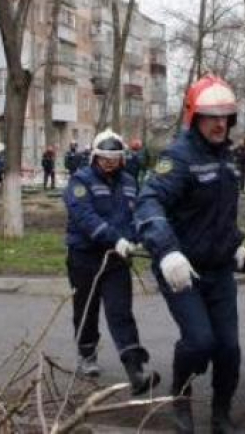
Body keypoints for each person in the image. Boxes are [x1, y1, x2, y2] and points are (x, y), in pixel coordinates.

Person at [136, 73, 245, 434]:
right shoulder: (178, 157)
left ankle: (221, 415)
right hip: (181, 270)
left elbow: (220, 210)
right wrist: (167, 252)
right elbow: (148, 202)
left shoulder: (228, 158)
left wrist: (234, 240)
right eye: (210, 116)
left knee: (228, 349)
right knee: (200, 342)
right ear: (194, 117)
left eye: (224, 116)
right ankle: (180, 399)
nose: (219, 123)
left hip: (218, 270)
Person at [63, 129, 161, 395]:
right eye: (104, 157)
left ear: (122, 157)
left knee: (121, 312)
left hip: (118, 260)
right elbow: (84, 218)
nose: (109, 162)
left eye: (115, 157)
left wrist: (139, 236)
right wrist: (115, 238)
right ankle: (87, 354)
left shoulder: (130, 182)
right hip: (85, 257)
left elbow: (138, 214)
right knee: (86, 308)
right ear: (95, 156)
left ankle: (136, 370)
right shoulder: (80, 181)